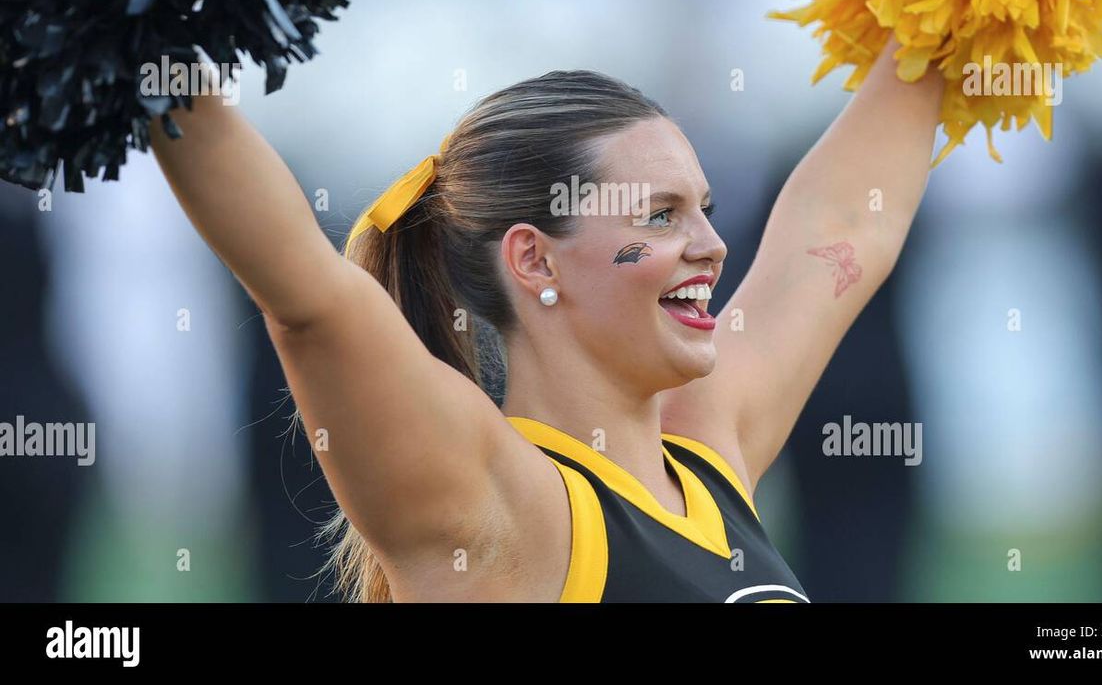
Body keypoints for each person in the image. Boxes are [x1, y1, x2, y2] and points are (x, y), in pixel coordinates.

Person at [148, 35, 943, 602]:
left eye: (703, 209)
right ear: (535, 260)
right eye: (661, 217)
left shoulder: (707, 452)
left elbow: (844, 223)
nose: (712, 245)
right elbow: (309, 302)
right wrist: (147, 41)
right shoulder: (498, 506)